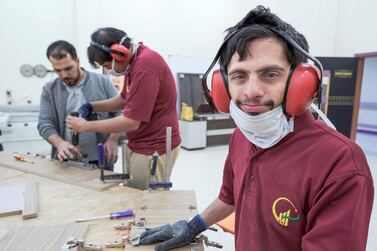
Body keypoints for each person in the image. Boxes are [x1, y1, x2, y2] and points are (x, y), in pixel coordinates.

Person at [136, 6, 374, 251]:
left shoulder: (341, 163)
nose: (251, 91)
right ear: (222, 87)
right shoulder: (241, 137)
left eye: (270, 74)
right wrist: (193, 226)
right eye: (239, 76)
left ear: (302, 83)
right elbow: (229, 198)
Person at [66, 28, 181, 190]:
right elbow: (123, 99)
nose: (108, 70)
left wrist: (85, 126)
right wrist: (92, 106)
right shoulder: (134, 62)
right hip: (143, 142)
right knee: (134, 192)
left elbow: (131, 122)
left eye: (107, 65)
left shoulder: (145, 66)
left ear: (120, 54)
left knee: (145, 202)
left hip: (154, 147)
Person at [38, 40, 120, 170]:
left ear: (77, 61)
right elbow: (44, 123)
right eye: (58, 70)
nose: (64, 75)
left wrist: (113, 139)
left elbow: (121, 112)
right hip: (66, 161)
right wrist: (59, 144)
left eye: (68, 68)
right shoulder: (49, 89)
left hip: (101, 161)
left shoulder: (102, 82)